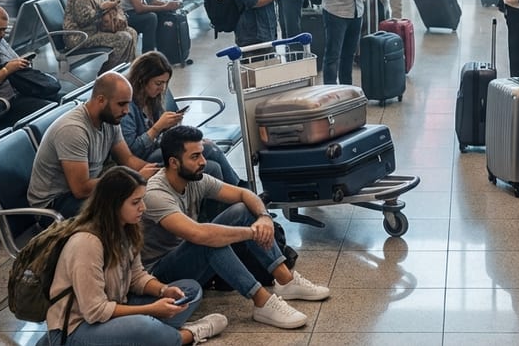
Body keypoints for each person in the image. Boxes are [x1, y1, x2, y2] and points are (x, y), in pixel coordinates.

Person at [142, 126, 331, 330]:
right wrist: (251, 232)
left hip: (189, 260)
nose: (203, 162)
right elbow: (198, 234)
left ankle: (286, 280)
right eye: (195, 157)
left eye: (202, 155)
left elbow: (243, 194)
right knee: (210, 240)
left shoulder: (194, 179)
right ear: (173, 162)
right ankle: (262, 302)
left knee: (244, 210)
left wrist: (264, 218)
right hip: (158, 275)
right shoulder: (155, 194)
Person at [46, 165, 227, 345]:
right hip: (76, 329)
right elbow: (95, 311)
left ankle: (154, 335)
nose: (143, 207)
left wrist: (163, 290)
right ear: (113, 204)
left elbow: (136, 277)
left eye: (142, 199)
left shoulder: (127, 228)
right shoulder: (87, 243)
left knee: (190, 289)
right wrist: (151, 309)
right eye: (135, 202)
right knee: (143, 326)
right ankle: (186, 335)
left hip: (115, 307)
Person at [28, 72, 161, 217]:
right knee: (126, 207)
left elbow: (128, 159)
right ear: (101, 100)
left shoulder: (110, 119)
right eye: (121, 104)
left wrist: (158, 172)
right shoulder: (73, 130)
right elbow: (81, 189)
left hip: (86, 187)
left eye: (128, 104)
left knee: (148, 192)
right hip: (56, 203)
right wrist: (135, 178)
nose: (126, 111)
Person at [120, 52, 242, 186]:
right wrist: (157, 128)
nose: (162, 88)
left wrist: (173, 128)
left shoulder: (152, 99)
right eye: (158, 83)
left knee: (211, 159)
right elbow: (132, 151)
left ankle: (237, 193)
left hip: (160, 148)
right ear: (141, 80)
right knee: (208, 152)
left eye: (165, 83)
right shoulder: (127, 107)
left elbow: (163, 138)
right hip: (145, 159)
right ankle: (240, 189)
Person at [65, 0, 138, 72]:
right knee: (123, 38)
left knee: (132, 32)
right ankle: (107, 74)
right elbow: (83, 20)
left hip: (94, 30)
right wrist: (101, 8)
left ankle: (126, 69)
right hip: (79, 36)